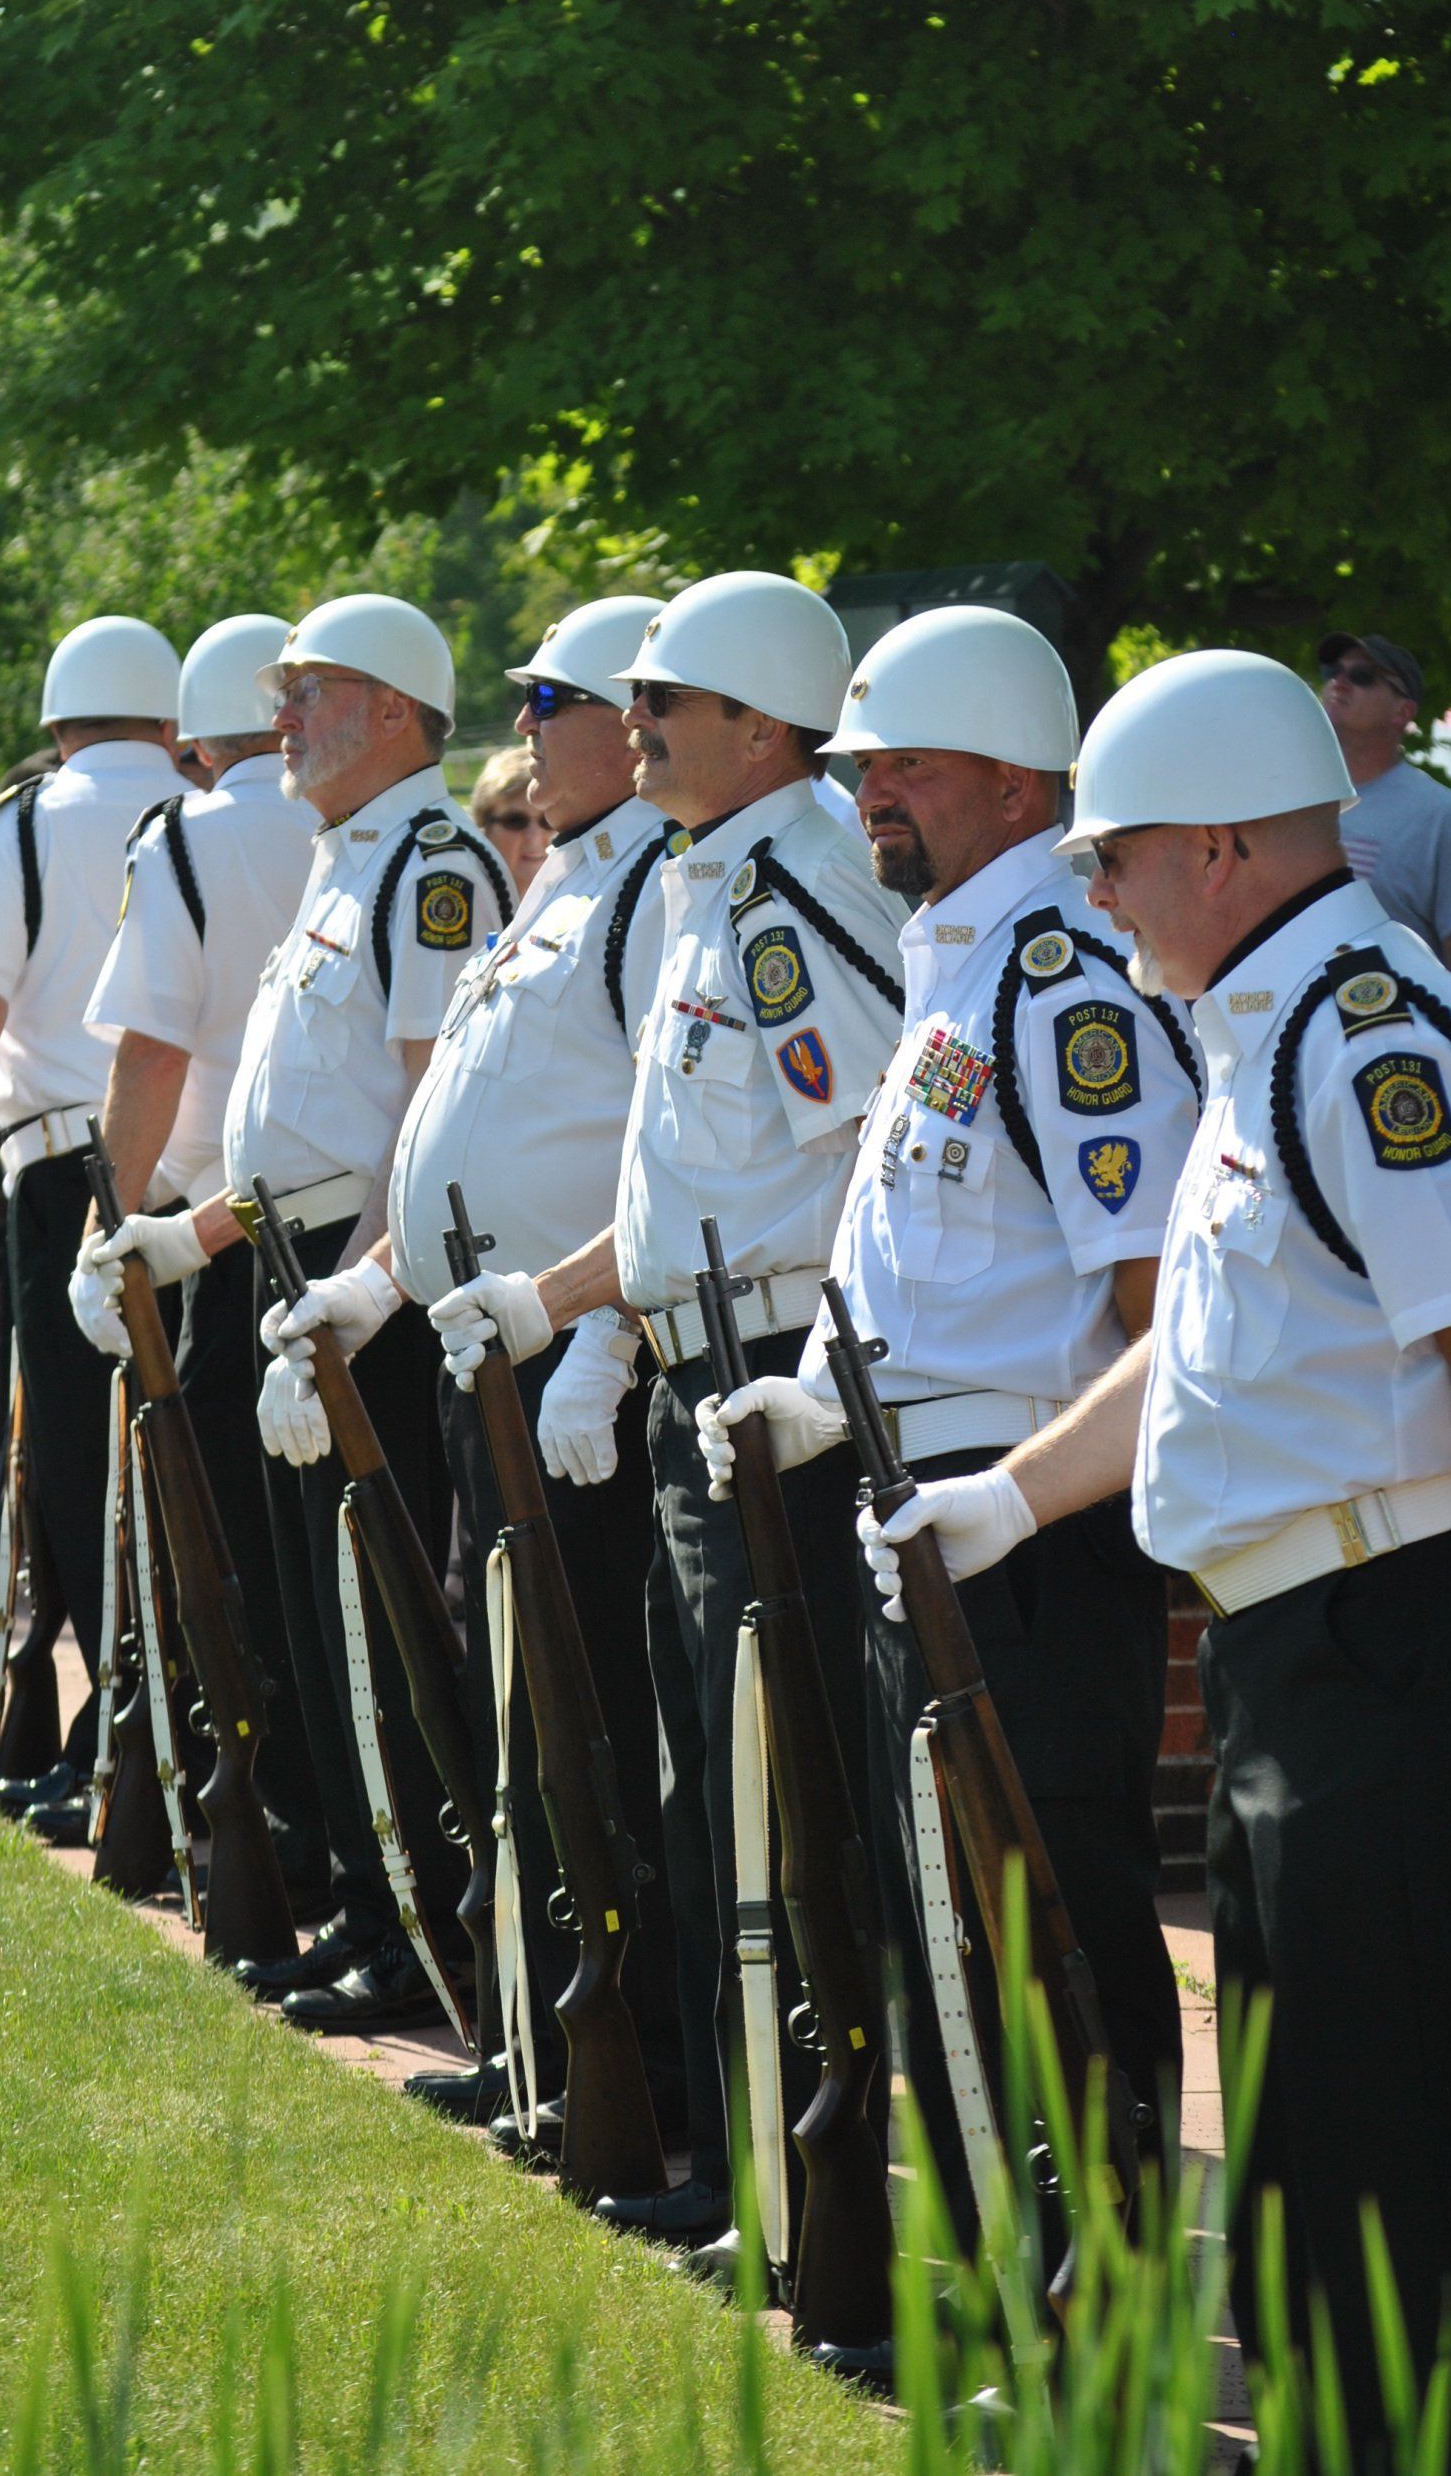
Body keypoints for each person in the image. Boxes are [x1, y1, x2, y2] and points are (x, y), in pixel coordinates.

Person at [862, 646, 1451, 2462]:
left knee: (1382, 2088)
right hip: (1294, 1627)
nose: (1091, 896)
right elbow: (1193, 1355)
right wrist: (1012, 1497)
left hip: (1388, 1612)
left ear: (1218, 847)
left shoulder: (1366, 1030)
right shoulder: (1257, 1026)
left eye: (1110, 858)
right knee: (1291, 2087)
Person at [696, 607, 1196, 2247]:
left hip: (1031, 1521)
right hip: (918, 1500)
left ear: (1007, 773)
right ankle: (1009, 2262)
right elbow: (923, 1259)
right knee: (948, 1914)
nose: (871, 792)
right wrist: (823, 1400)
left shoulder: (1063, 977)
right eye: (860, 765)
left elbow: (1142, 1293)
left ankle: (1099, 2272)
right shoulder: (963, 964)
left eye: (905, 763)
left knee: (1053, 1903)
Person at [427, 569, 906, 2252]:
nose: (633, 723)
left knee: (778, 1792)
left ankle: (803, 2176)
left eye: (668, 701)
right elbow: (689, 1179)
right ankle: (752, 2151)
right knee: (718, 1779)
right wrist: (569, 1318)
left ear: (761, 723)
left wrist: (811, 1371)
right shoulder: (712, 884)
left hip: (777, 1387)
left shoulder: (790, 897)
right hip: (699, 1367)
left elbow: (873, 1159)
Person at [78, 593, 512, 2029]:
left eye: (310, 691)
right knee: (305, 1620)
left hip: (359, 1293)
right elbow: (294, 1138)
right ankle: (363, 1903)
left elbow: (416, 1122)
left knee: (371, 1623)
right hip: (288, 1265)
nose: (283, 718)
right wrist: (180, 1239)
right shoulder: (347, 862)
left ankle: (419, 1933)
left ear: (396, 710)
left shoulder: (431, 867)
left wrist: (356, 1297)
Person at [360, 595, 680, 2136]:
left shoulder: (653, 897)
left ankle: (602, 2050)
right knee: (503, 1725)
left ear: (630, 718)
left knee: (579, 1723)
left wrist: (602, 1348)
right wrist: (375, 1288)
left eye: (549, 697)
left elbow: (665, 1156)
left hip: (566, 1377)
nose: (525, 726)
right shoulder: (566, 883)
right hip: (479, 1351)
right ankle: (534, 2041)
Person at [0, 615, 184, 1836]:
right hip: (194, 1169)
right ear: (169, 717)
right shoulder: (206, 811)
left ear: (57, 720)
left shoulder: (19, 823)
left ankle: (108, 1735)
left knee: (74, 1456)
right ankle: (152, 1715)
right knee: (169, 1455)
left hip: (69, 1160)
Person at [66, 612, 330, 1906]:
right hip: (337, 1230)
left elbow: (151, 1052)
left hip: (214, 1234)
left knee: (227, 1542)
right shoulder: (353, 832)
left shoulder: (184, 835)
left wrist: (104, 1225)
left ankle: (265, 1819)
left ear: (192, 737)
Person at [1317, 629, 1451, 1003]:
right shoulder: (1289, 801)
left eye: (1362, 676)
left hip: (1392, 1043)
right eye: (1333, 670)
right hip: (1289, 1037)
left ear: (1403, 711)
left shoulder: (1442, 814)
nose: (1340, 682)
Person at [467, 745, 549, 903]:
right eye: (515, 821)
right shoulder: (467, 902)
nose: (534, 837)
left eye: (548, 821)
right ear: (483, 829)